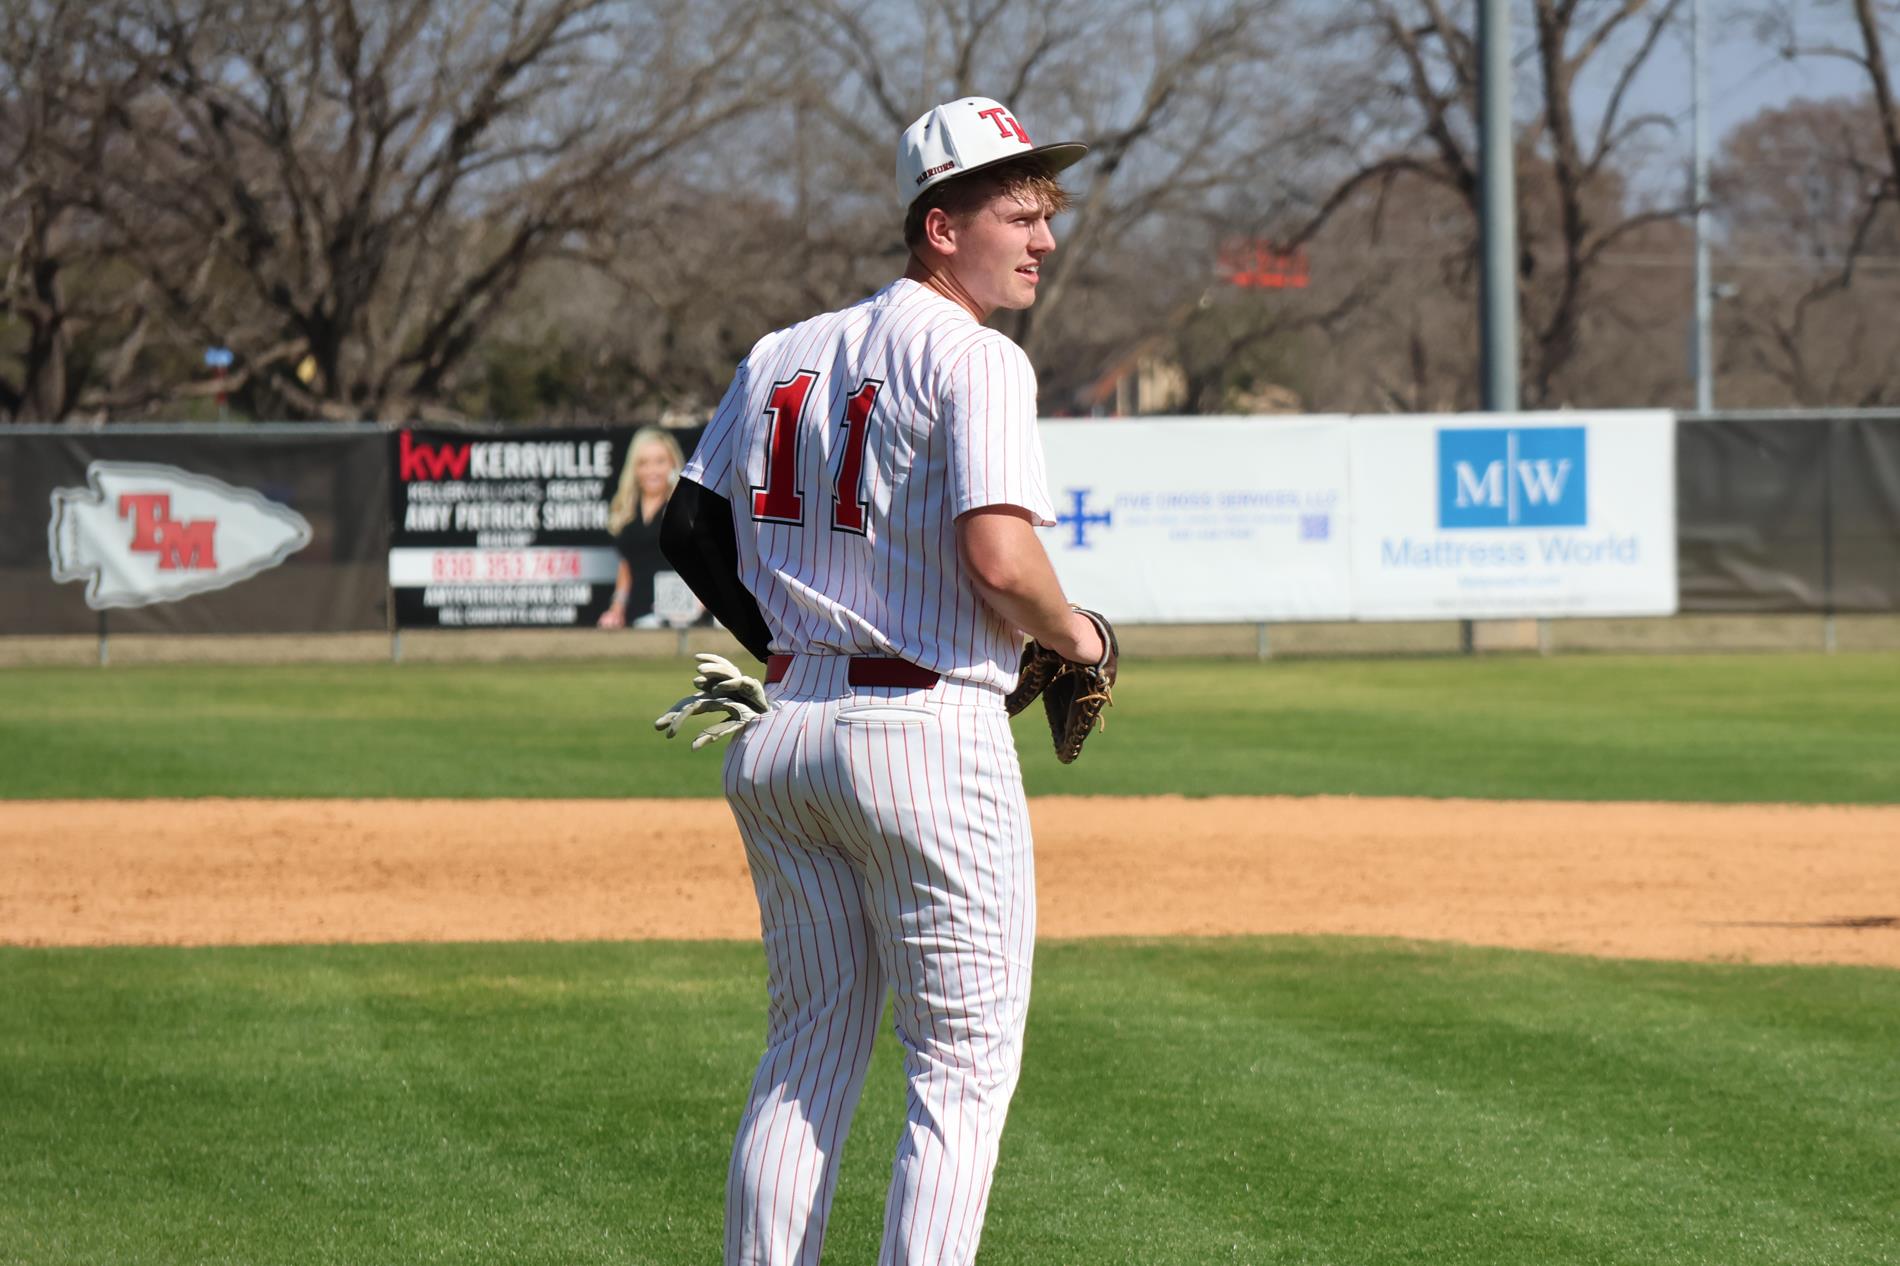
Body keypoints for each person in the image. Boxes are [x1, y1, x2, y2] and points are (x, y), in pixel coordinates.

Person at [656, 96, 1105, 1266]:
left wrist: (786, 647)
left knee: (806, 1049)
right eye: (1019, 213)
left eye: (1046, 213)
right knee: (959, 1070)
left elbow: (687, 530)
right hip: (923, 733)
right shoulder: (975, 357)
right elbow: (1001, 562)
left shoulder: (781, 352)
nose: (1043, 238)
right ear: (940, 225)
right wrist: (1082, 639)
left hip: (785, 729)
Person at [597, 426, 686, 628]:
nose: (652, 471)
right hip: (638, 612)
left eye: (660, 462)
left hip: (679, 615)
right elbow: (626, 564)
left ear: (673, 463)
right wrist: (616, 608)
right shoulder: (626, 509)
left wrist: (695, 608)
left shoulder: (683, 507)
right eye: (643, 463)